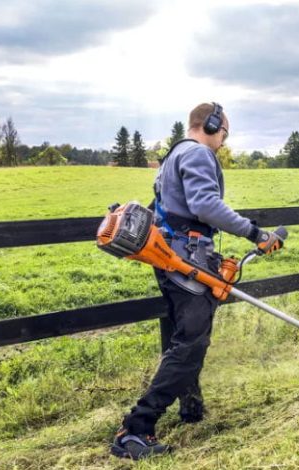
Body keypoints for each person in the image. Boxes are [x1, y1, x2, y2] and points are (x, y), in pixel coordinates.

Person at [111, 102, 284, 460]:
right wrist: (255, 233)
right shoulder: (200, 154)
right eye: (224, 133)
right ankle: (137, 429)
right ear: (211, 124)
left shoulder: (173, 156)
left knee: (186, 340)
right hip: (185, 259)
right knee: (191, 344)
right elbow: (206, 206)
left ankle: (191, 409)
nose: (223, 140)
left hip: (171, 258)